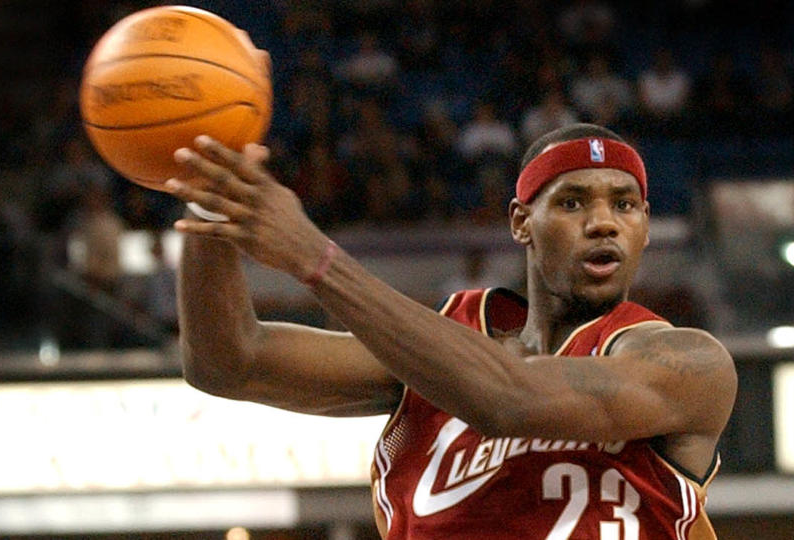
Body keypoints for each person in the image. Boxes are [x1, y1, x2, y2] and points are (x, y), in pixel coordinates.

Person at [166, 122, 736, 539]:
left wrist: (315, 258)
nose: (603, 221)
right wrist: (214, 197)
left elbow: (511, 398)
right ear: (521, 223)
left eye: (626, 204)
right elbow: (229, 361)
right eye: (572, 202)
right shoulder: (442, 346)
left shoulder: (687, 363)